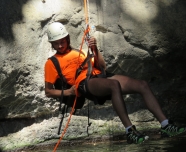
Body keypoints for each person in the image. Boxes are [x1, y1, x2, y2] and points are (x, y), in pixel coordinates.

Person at [44, 22, 186, 144]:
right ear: (51, 44)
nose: (60, 45)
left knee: (142, 85)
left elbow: (102, 67)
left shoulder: (78, 52)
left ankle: (165, 125)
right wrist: (69, 92)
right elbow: (48, 91)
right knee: (114, 85)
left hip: (100, 76)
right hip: (85, 83)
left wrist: (94, 48)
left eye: (62, 40)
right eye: (56, 43)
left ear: (67, 38)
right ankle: (130, 131)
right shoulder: (51, 63)